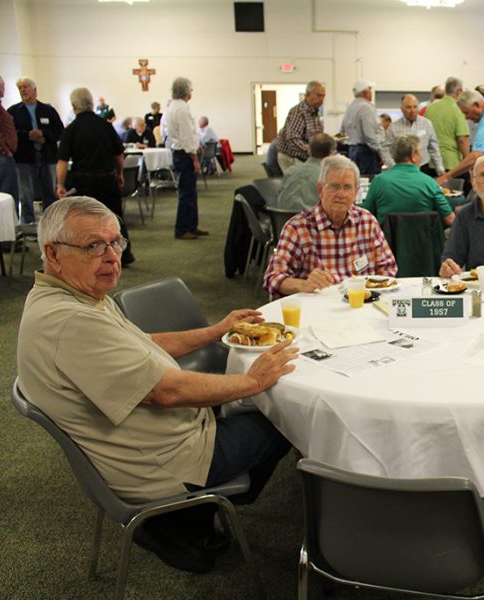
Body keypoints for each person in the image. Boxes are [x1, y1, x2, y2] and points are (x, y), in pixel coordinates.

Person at [17, 196, 298, 573]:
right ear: (53, 254)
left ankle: (191, 519)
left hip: (158, 437)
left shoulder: (73, 295)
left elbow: (142, 344)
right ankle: (188, 515)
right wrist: (252, 381)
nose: (112, 256)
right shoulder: (71, 321)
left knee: (253, 399)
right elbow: (168, 393)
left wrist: (215, 332)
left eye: (116, 242)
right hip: (168, 463)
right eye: (94, 246)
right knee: (285, 417)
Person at [263, 155, 397, 296]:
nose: (341, 194)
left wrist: (375, 293)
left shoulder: (367, 222)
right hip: (318, 309)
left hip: (361, 306)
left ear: (356, 193)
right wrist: (304, 284)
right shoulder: (298, 228)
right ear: (320, 190)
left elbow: (388, 266)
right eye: (334, 186)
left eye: (347, 187)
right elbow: (273, 277)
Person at [56, 87, 135, 266]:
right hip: (107, 179)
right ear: (91, 104)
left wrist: (60, 184)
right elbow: (119, 155)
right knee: (115, 217)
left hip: (84, 182)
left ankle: (90, 254)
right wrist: (120, 174)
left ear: (74, 106)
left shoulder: (71, 129)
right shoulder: (106, 126)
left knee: (86, 220)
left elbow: (62, 161)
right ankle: (125, 254)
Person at [362, 133, 454, 227]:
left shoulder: (378, 182)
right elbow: (450, 220)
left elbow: (365, 217)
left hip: (387, 240)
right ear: (413, 155)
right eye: (420, 152)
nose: (421, 156)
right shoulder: (430, 183)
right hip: (424, 240)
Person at [9, 76, 65, 223]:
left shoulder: (48, 110)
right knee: (26, 193)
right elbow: (10, 133)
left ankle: (50, 223)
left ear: (35, 90)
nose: (22, 90)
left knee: (49, 191)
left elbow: (60, 131)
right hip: (24, 158)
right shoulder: (14, 111)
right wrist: (28, 136)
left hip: (47, 156)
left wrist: (43, 134)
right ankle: (28, 222)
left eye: (25, 87)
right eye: (20, 88)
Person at [165, 76, 206, 240]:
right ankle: (182, 229)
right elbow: (186, 137)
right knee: (186, 194)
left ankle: (192, 226)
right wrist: (194, 157)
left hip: (182, 152)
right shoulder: (180, 108)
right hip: (184, 154)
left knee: (191, 192)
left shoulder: (175, 106)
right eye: (190, 89)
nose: (192, 92)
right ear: (185, 91)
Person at [382, 94, 444, 177]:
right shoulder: (393, 127)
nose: (412, 110)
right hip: (401, 170)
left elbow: (434, 148)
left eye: (415, 107)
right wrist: (393, 166)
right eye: (408, 107)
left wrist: (440, 168)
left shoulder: (427, 124)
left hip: (423, 168)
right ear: (402, 109)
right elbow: (385, 150)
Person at [277, 133, 335, 212]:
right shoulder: (328, 177)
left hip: (282, 221)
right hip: (312, 222)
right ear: (331, 154)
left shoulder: (289, 172)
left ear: (310, 150)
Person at [338, 80, 385, 176]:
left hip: (352, 151)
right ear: (365, 92)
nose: (371, 93)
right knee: (369, 182)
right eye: (370, 90)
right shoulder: (366, 108)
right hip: (367, 152)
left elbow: (342, 133)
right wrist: (381, 153)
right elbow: (370, 136)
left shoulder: (350, 108)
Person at [277, 81, 325, 173]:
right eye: (318, 95)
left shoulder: (314, 112)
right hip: (292, 158)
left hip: (305, 157)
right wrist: (313, 152)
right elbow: (293, 139)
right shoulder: (299, 112)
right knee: (300, 184)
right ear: (307, 95)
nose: (321, 99)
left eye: (323, 96)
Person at [424, 76, 470, 174]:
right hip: (452, 163)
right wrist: (468, 162)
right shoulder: (459, 109)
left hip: (430, 162)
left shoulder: (430, 108)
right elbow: (462, 140)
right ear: (459, 91)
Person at [0, 74, 19, 203]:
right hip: (2, 156)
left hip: (3, 155)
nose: (4, 88)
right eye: (2, 85)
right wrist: (4, 148)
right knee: (7, 196)